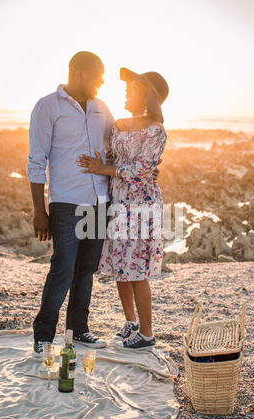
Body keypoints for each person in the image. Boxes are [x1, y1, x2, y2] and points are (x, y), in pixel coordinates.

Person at [27, 51, 115, 353]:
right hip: (66, 202)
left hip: (99, 202)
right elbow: (36, 161)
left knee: (86, 269)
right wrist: (40, 210)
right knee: (62, 267)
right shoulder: (47, 107)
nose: (102, 81)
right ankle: (44, 335)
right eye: (98, 75)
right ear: (79, 73)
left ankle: (78, 329)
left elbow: (115, 144)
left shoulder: (101, 108)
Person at [77, 67, 169, 349]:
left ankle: (147, 334)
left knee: (137, 269)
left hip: (142, 206)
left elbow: (142, 170)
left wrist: (105, 168)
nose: (127, 92)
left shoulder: (156, 131)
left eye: (134, 88)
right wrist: (105, 165)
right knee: (121, 267)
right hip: (117, 202)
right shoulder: (118, 124)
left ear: (148, 95)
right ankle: (130, 323)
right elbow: (114, 156)